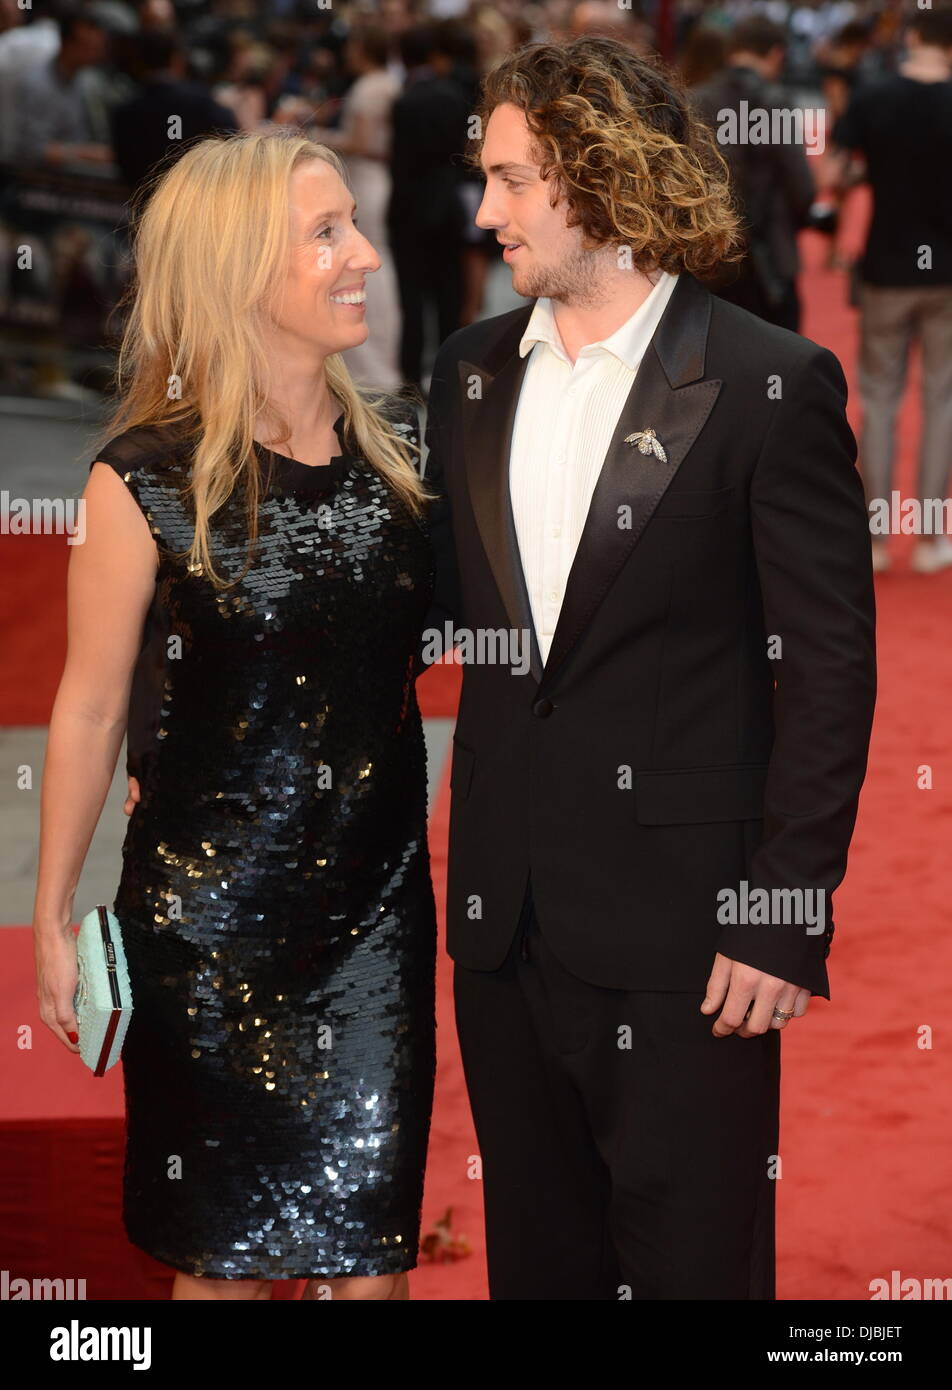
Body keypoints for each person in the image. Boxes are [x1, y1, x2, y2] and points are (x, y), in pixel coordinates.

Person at [426, 36, 875, 1299]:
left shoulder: (764, 383)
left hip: (693, 936)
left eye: (513, 180)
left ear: (602, 175)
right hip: (505, 924)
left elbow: (829, 666)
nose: (486, 211)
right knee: (541, 1266)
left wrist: (785, 911)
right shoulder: (468, 374)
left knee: (692, 1273)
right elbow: (422, 608)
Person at [32, 130, 439, 1302]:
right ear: (236, 268)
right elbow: (93, 704)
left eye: (353, 223)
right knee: (223, 1268)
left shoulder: (404, 460)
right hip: (205, 935)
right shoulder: (142, 480)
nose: (363, 253)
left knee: (372, 1268)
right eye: (325, 233)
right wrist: (55, 916)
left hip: (374, 924)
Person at [831, 7, 952, 575]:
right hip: (948, 273)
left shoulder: (875, 96)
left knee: (877, 399)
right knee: (942, 399)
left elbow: (835, 172)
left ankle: (877, 539)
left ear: (914, 37)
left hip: (885, 266)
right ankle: (930, 541)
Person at [691, 15, 815, 331]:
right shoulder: (777, 102)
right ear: (776, 54)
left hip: (714, 256)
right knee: (782, 359)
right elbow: (802, 187)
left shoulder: (697, 99)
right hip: (772, 256)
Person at [110, 28, 238, 194]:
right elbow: (232, 141)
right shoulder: (200, 102)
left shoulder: (124, 112)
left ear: (138, 63)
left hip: (141, 206)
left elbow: (125, 168)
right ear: (177, 60)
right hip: (192, 200)